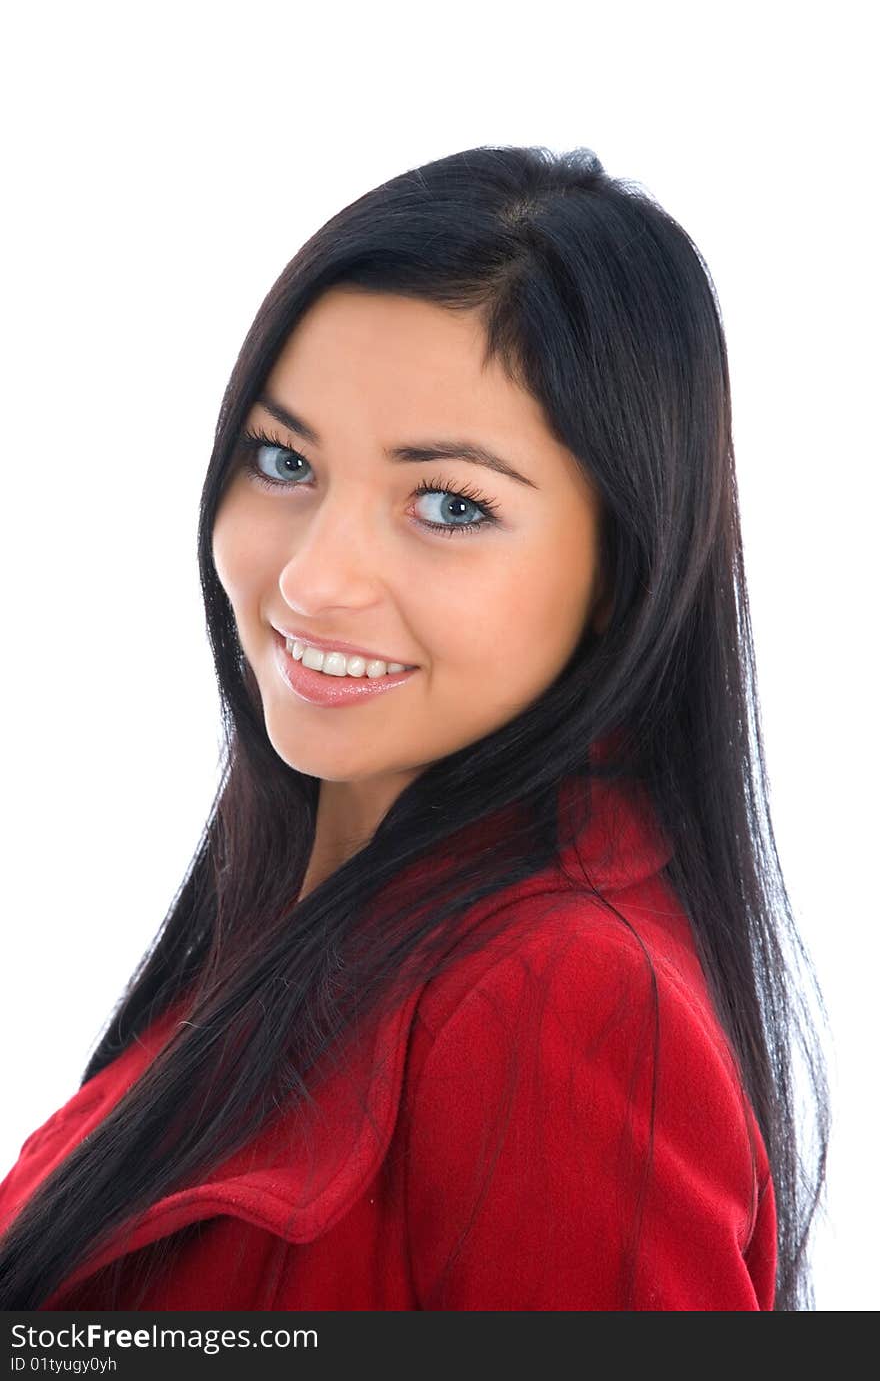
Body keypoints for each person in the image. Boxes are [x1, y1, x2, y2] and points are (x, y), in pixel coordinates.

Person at [0, 144, 828, 1311]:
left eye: (448, 504)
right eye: (284, 460)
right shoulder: (309, 907)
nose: (313, 583)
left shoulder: (557, 994)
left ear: (620, 572)